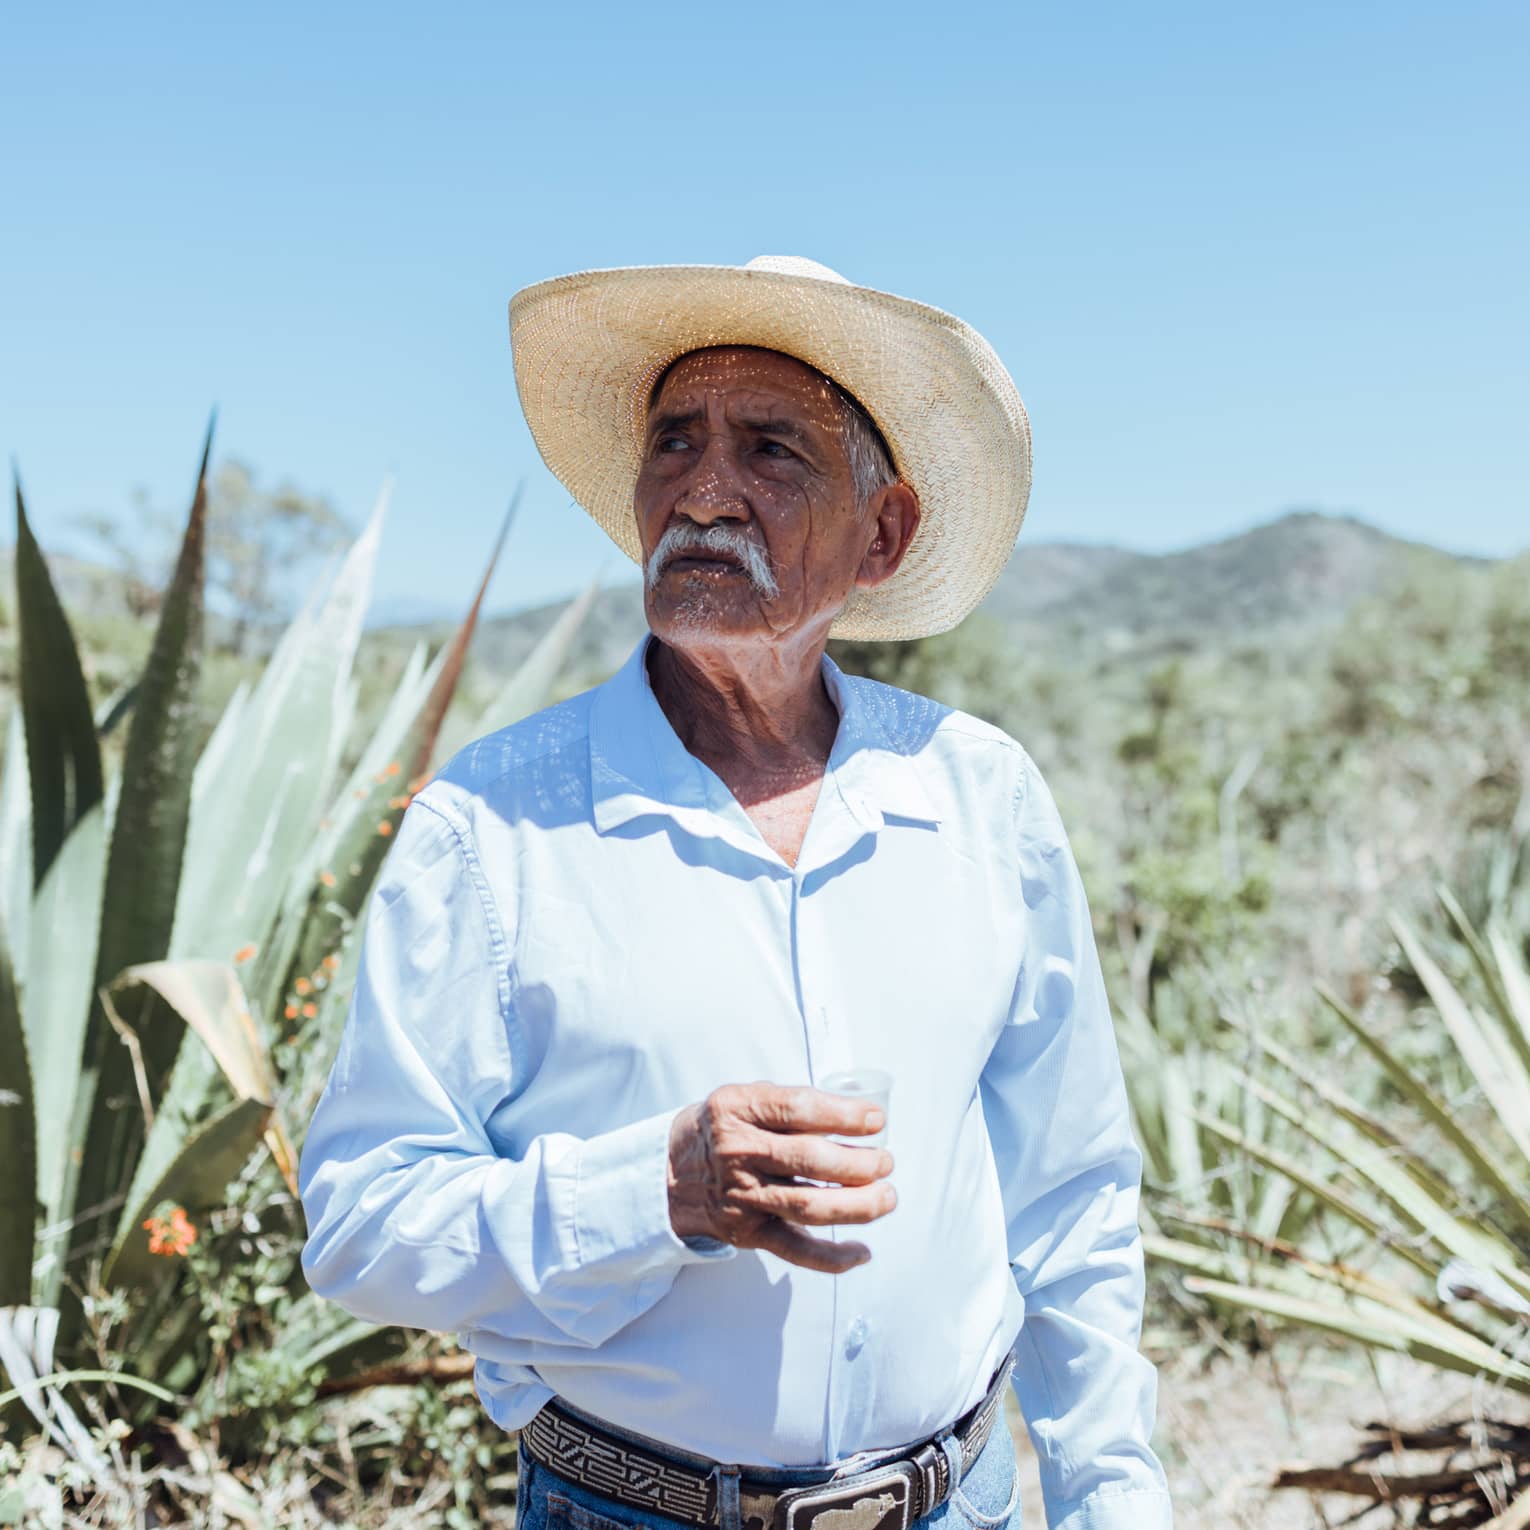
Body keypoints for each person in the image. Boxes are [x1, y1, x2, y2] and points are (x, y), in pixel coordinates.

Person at [298, 255, 1174, 1530]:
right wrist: (657, 1189)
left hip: (961, 1503)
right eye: (673, 442)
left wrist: (1111, 1496)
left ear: (883, 536)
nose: (704, 489)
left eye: (771, 448)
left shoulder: (982, 797)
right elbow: (363, 1222)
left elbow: (1072, 1191)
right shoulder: (491, 829)